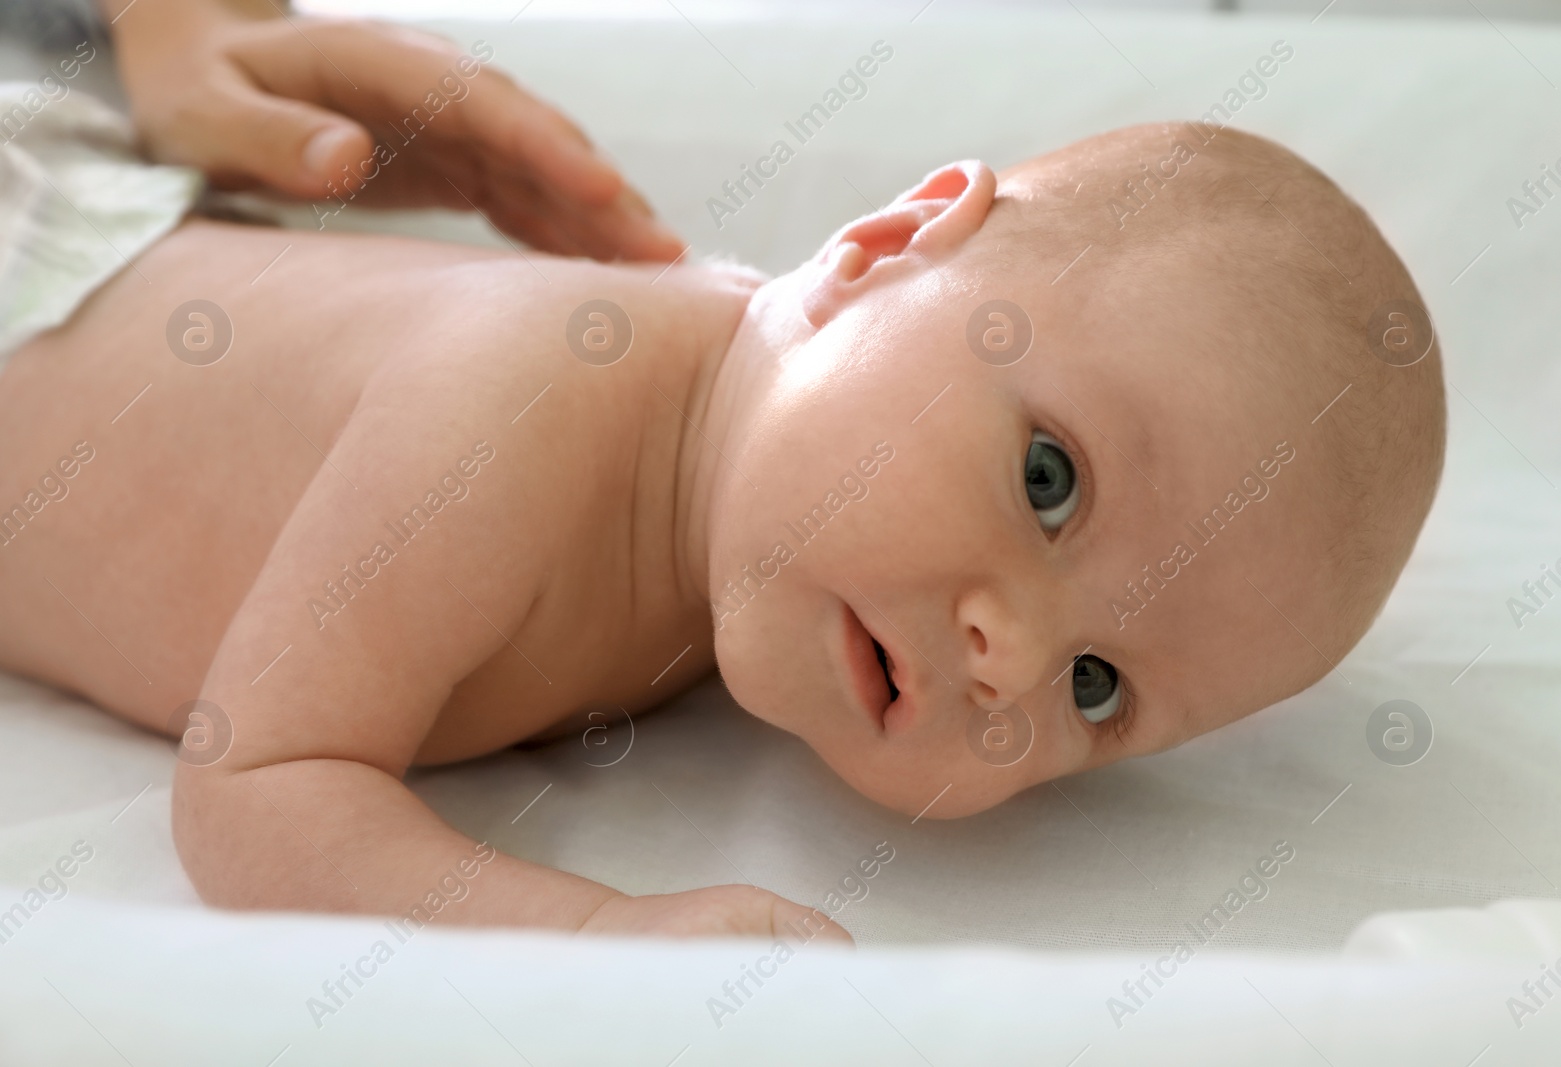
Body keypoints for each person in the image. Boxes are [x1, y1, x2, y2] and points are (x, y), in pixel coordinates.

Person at [0, 6, 1444, 940]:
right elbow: (255, 787)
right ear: (884, 249)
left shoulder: (737, 564)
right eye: (1051, 482)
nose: (1015, 658)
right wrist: (590, 940)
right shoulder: (539, 390)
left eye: (1096, 690)